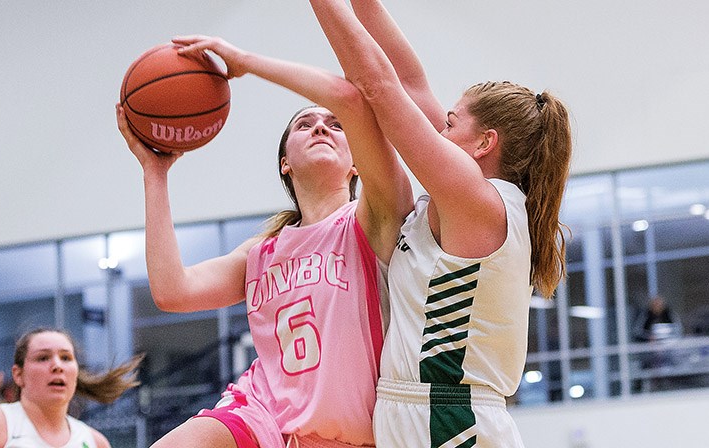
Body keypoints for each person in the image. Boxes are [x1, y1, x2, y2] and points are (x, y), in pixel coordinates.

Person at [115, 33, 413, 447]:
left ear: (357, 162)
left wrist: (248, 61)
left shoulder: (374, 220)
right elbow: (172, 290)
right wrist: (155, 173)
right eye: (305, 125)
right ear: (285, 163)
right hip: (264, 411)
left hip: (351, 432)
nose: (321, 127)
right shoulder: (264, 250)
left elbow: (355, 100)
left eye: (334, 125)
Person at [307, 1, 573, 446]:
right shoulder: (469, 188)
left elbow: (379, 86)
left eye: (450, 124)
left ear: (485, 143)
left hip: (449, 417)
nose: (439, 132)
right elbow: (408, 81)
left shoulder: (478, 200)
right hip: (422, 410)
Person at [0, 327, 143, 448]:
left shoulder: (95, 442)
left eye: (66, 357)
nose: (57, 365)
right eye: (43, 357)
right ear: (18, 375)